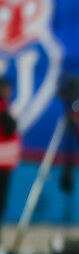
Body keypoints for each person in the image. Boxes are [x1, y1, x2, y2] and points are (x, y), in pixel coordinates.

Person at [0, 78, 19, 245]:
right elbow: (10, 127)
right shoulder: (2, 108)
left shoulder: (5, 107)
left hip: (5, 164)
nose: (8, 92)